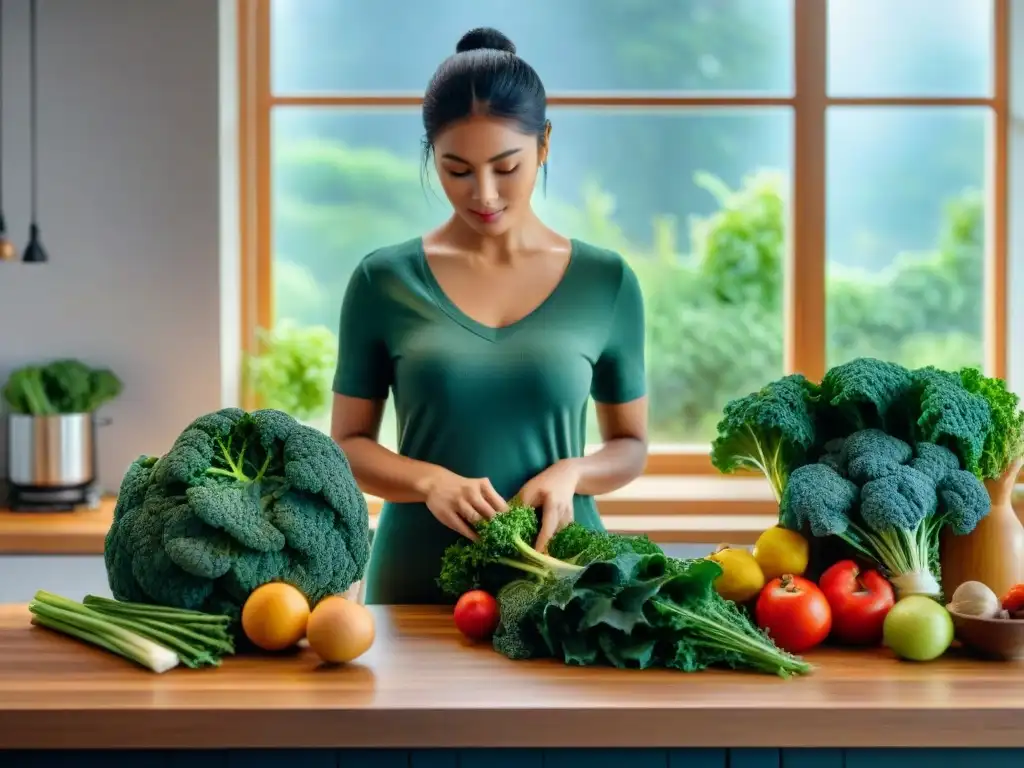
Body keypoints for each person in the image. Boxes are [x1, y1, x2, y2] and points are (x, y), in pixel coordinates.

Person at [330, 26, 649, 605]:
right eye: (457, 170)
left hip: (565, 582)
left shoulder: (607, 281)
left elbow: (630, 446)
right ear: (432, 157)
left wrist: (572, 473)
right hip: (416, 584)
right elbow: (348, 444)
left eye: (507, 167)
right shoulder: (382, 280)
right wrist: (429, 481)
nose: (485, 194)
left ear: (545, 144)